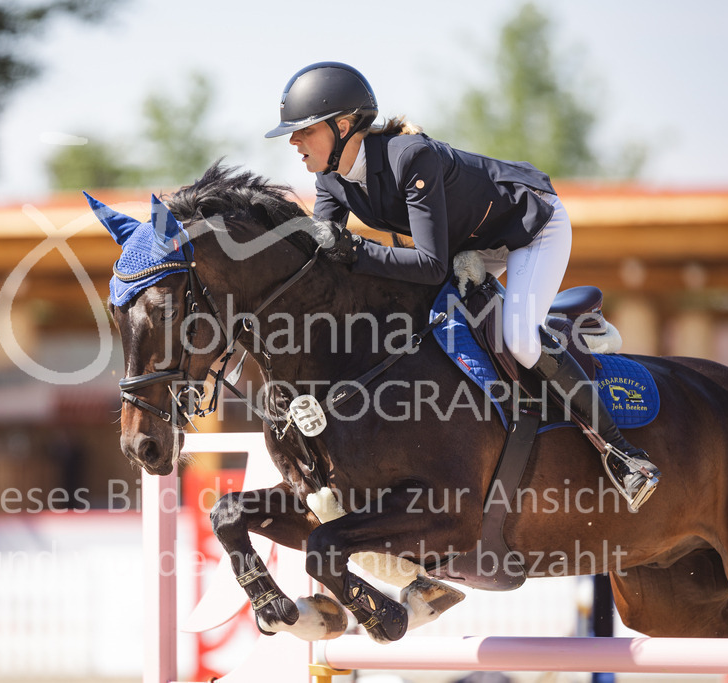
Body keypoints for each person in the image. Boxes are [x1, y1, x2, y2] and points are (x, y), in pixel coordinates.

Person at [264, 61, 660, 510]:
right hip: (470, 243)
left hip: (530, 226)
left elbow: (429, 266)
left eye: (304, 130)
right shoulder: (330, 182)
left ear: (342, 126)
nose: (294, 141)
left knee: (521, 342)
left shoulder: (410, 157)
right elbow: (328, 262)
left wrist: (354, 250)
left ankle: (622, 454)